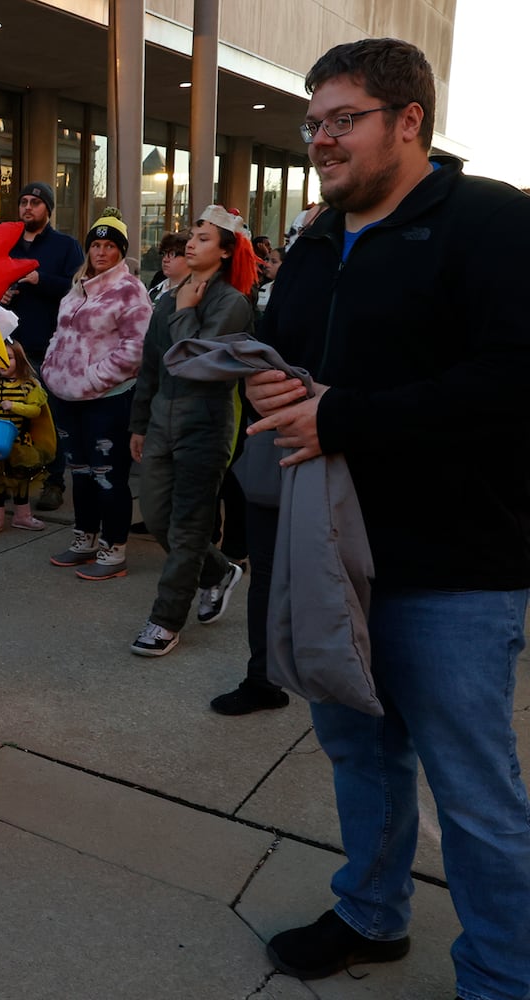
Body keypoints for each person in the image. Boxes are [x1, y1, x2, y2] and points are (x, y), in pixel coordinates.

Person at [249, 38, 530, 999]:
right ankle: (373, 913)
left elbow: (512, 380)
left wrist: (341, 416)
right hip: (333, 557)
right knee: (360, 757)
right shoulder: (320, 239)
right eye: (314, 121)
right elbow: (292, 358)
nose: (321, 140)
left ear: (409, 120)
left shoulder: (492, 220)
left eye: (343, 119)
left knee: (475, 794)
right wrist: (270, 390)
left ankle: (501, 974)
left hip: (452, 564)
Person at [126, 205, 259, 656]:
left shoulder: (232, 303)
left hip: (205, 426)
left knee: (187, 528)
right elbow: (151, 367)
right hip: (162, 422)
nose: (191, 243)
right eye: (192, 235)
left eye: (203, 238)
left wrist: (186, 310)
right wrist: (140, 423)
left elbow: (198, 364)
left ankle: (164, 621)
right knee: (158, 518)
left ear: (224, 252)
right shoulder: (168, 297)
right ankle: (217, 571)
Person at [41, 208, 152, 580]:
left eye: (109, 246)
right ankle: (84, 539)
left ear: (121, 252)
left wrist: (92, 378)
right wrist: (51, 369)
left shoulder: (129, 291)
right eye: (95, 245)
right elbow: (60, 334)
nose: (100, 252)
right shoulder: (78, 289)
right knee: (81, 474)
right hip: (67, 397)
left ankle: (114, 546)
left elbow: (137, 349)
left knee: (108, 475)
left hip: (108, 400)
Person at [0, 180, 83, 513]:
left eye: (35, 202)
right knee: (6, 416)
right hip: (6, 348)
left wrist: (39, 279)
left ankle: (53, 482)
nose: (28, 207)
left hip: (46, 346)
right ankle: (9, 484)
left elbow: (78, 288)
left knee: (48, 417)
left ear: (48, 209)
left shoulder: (64, 245)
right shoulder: (8, 243)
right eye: (23, 201)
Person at [0, 340, 56, 534]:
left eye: (10, 358)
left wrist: (15, 406)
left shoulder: (29, 386)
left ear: (20, 360)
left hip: (20, 444)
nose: (4, 363)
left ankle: (22, 515)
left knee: (21, 480)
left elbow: (35, 411)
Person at [147, 232, 191, 302]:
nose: (165, 259)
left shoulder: (194, 292)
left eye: (172, 254)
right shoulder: (155, 290)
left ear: (189, 257)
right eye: (164, 254)